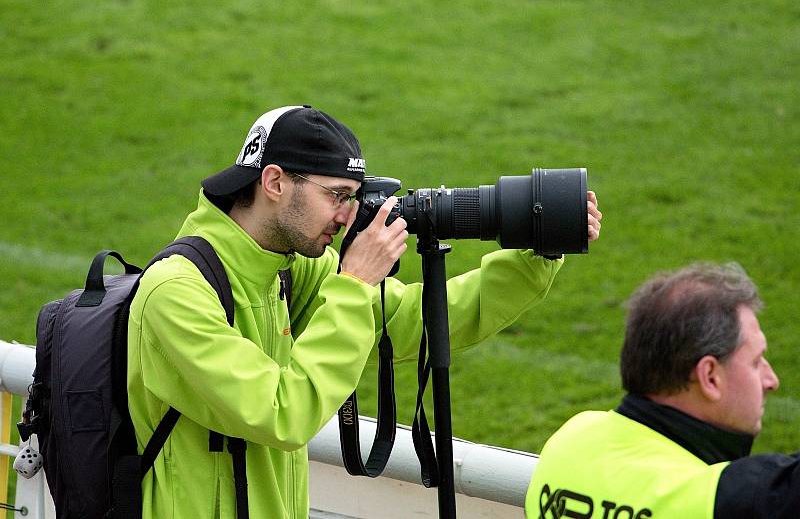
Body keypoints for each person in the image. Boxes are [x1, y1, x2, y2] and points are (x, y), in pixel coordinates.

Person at [127, 104, 603, 519]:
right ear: (273, 182)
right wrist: (354, 285)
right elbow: (279, 412)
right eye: (336, 195)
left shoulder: (290, 267)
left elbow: (412, 322)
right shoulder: (176, 292)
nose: (347, 215)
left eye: (353, 197)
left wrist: (537, 253)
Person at [525, 262, 799, 519]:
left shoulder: (571, 439)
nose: (771, 380)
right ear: (710, 377)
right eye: (755, 362)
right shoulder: (721, 499)